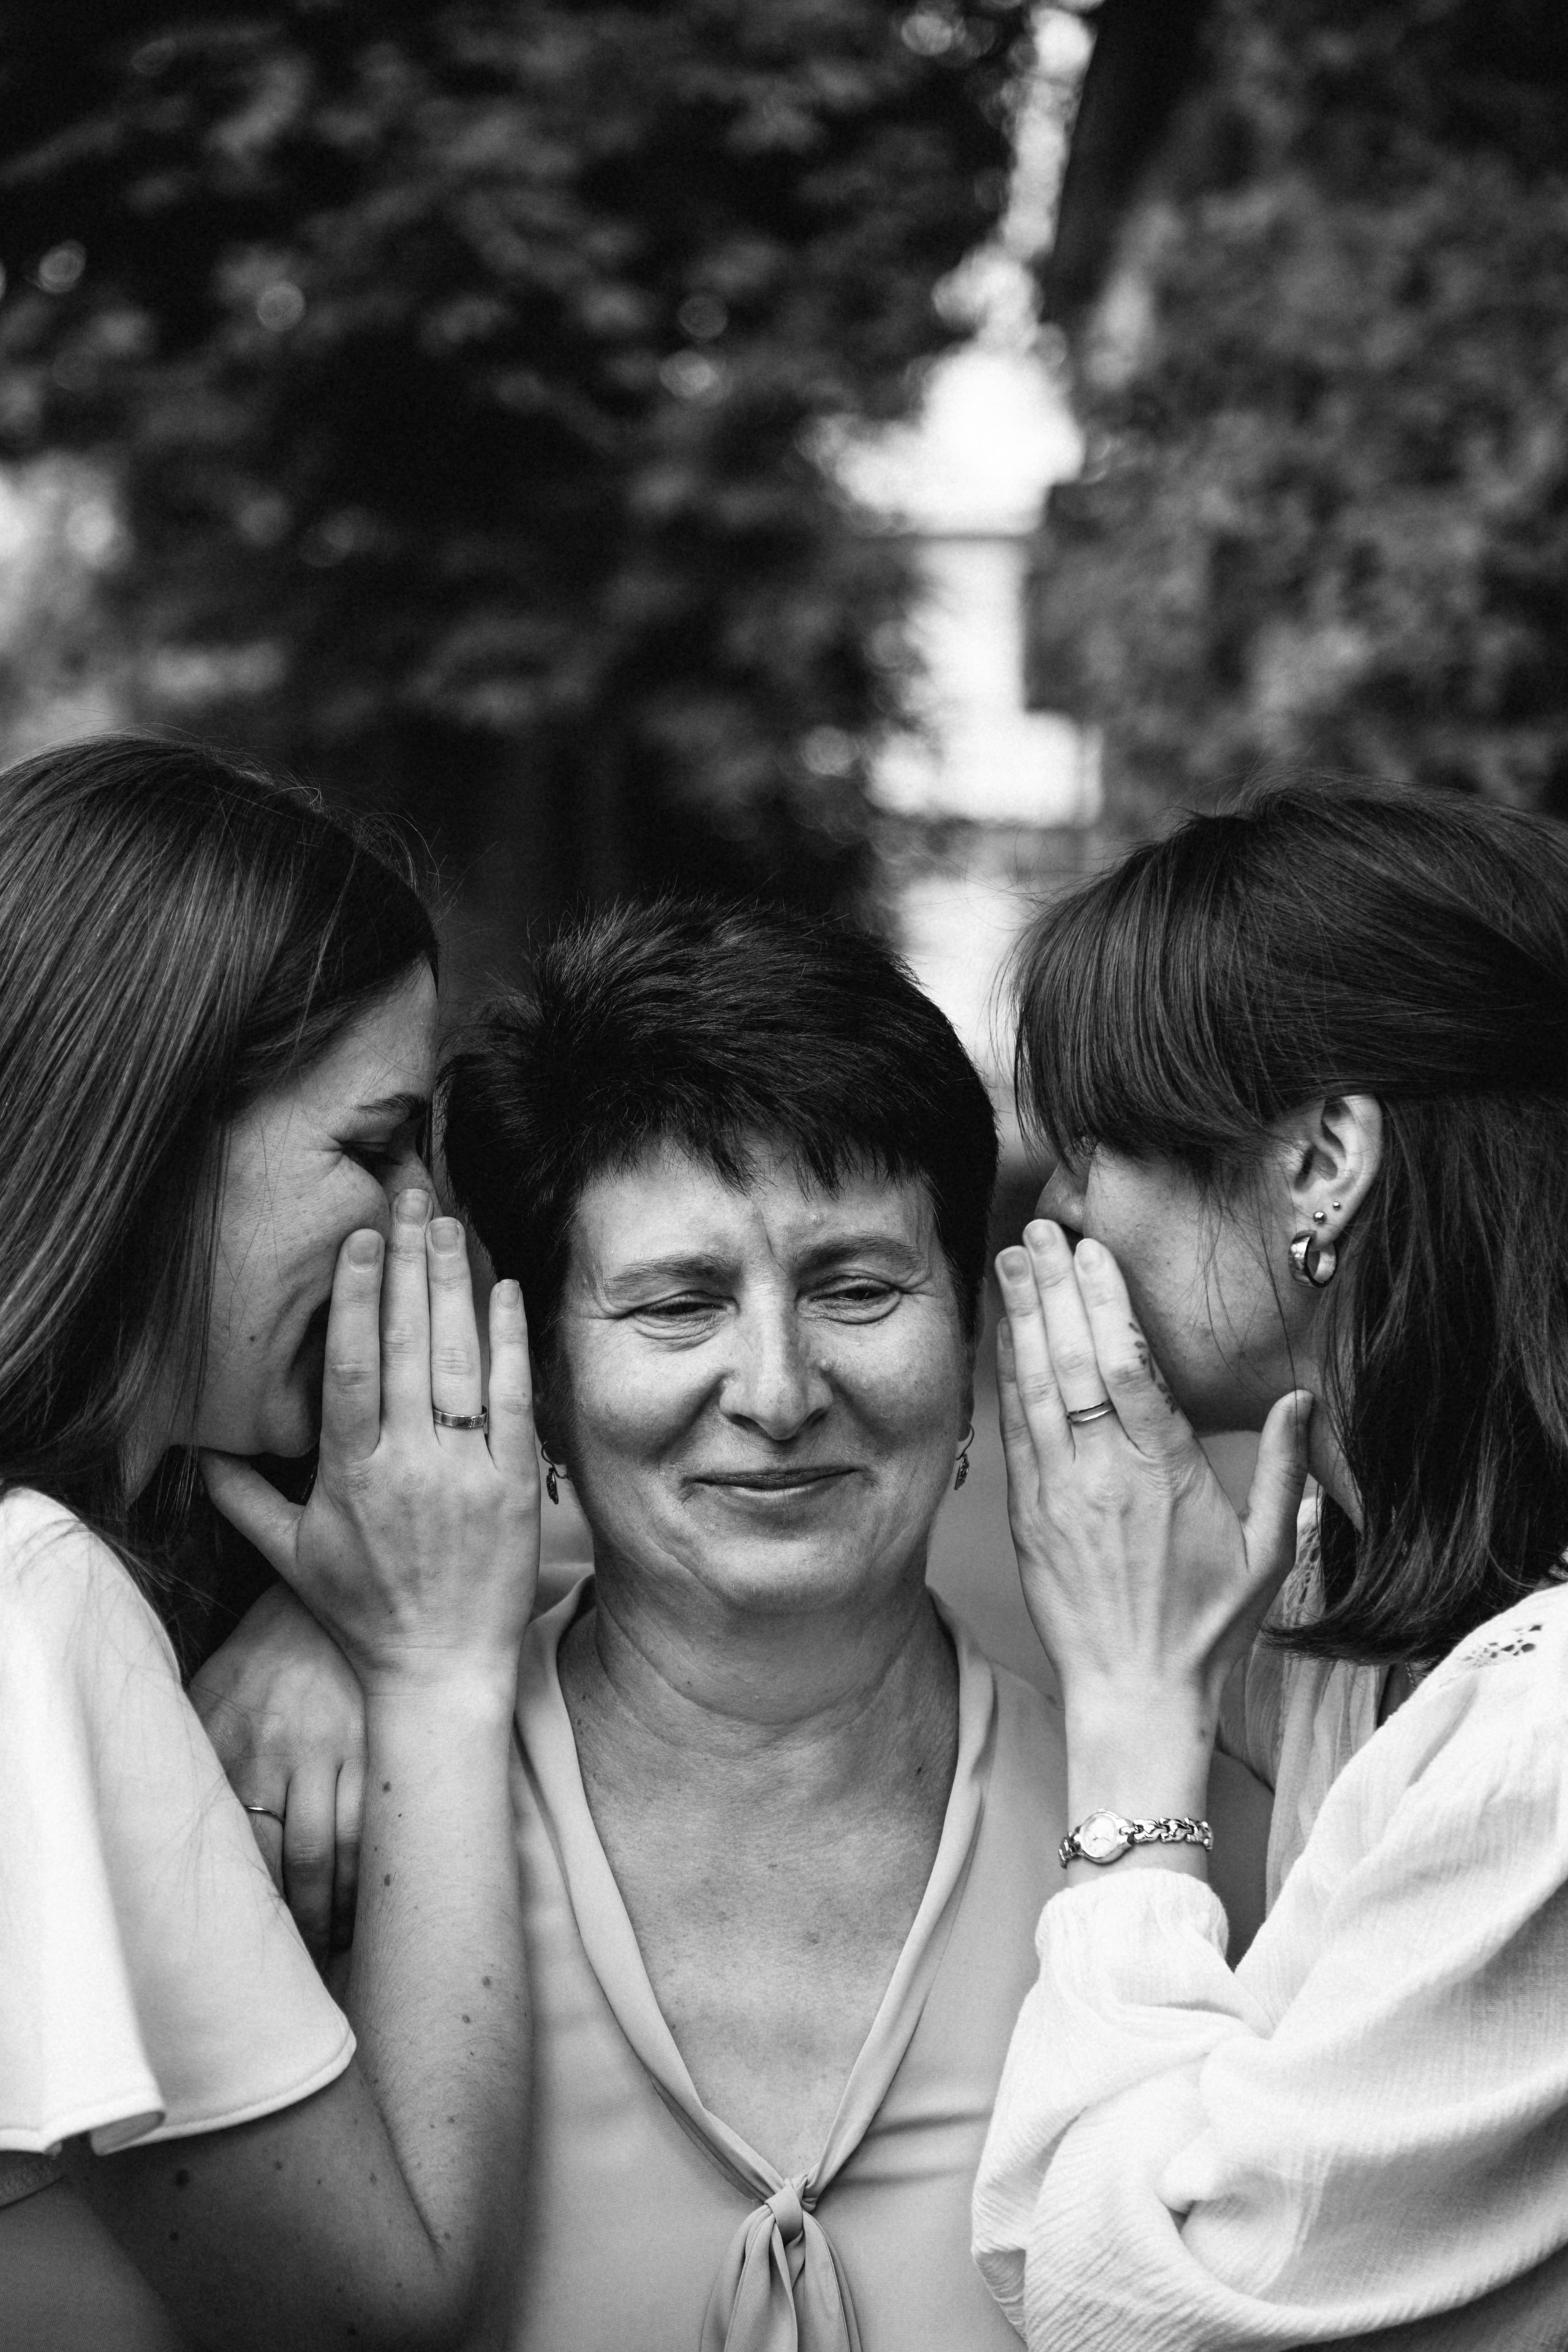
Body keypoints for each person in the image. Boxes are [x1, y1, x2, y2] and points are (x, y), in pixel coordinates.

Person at [196, 897, 1272, 2351]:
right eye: (674, 1305)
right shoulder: (332, 1810)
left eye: (857, 1287)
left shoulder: (1193, 1844)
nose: (775, 1388)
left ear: (971, 1337)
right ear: (545, 1384)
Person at [972, 778, 1568, 2350]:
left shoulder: (1541, 1738)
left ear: (1318, 1160)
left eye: (1092, 1144)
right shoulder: (1370, 1571)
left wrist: (1128, 1739)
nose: (1053, 1212)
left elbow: (1126, 2306)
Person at [0, 736, 538, 2352]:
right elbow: (385, 2308)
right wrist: (432, 1669)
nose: (422, 1224)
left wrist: (308, 1620)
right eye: (372, 1150)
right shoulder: (41, 1604)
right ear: (156, 1139)